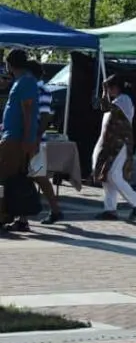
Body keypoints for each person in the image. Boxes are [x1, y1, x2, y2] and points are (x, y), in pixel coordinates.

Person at [93, 76, 136, 222]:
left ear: (116, 87)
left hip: (120, 143)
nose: (109, 91)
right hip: (110, 145)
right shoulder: (117, 101)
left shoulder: (124, 100)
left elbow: (105, 107)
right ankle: (110, 209)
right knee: (107, 176)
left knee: (114, 175)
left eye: (110, 88)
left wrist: (103, 91)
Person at [0, 51, 39, 231]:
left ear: (10, 64)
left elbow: (29, 113)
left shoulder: (26, 82)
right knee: (17, 178)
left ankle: (4, 215)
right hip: (12, 136)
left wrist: (27, 140)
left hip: (16, 139)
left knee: (7, 177)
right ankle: (20, 219)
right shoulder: (22, 81)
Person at [24, 61, 62, 225]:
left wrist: (37, 138)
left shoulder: (41, 90)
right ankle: (53, 210)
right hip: (33, 139)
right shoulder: (36, 89)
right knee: (35, 176)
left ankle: (53, 210)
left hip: (34, 140)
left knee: (36, 176)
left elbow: (45, 116)